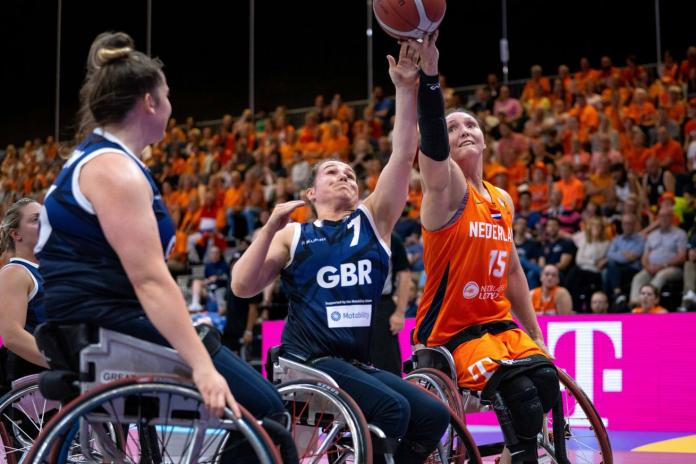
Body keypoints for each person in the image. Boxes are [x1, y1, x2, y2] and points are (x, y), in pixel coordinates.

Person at [34, 32, 289, 462]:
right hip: (106, 324)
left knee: (212, 345)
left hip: (96, 318)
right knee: (268, 415)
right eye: (167, 95)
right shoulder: (114, 170)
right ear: (150, 102)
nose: (171, 105)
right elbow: (151, 280)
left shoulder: (104, 161)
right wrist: (202, 366)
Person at [232, 39, 450, 463]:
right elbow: (242, 288)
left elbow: (404, 155)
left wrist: (406, 88)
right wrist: (269, 228)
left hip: (353, 362)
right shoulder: (294, 235)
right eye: (332, 172)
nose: (345, 175)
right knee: (394, 408)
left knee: (432, 416)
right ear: (312, 192)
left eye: (349, 173)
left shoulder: (374, 219)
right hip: (306, 362)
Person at [412, 36, 559, 464]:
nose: (463, 131)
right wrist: (430, 79)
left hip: (497, 328)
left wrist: (534, 333)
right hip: (449, 334)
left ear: (484, 138)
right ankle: (522, 456)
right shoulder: (446, 191)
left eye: (471, 125)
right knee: (521, 394)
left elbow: (513, 273)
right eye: (454, 127)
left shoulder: (501, 199)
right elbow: (434, 147)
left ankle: (516, 457)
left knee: (546, 382)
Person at [0, 198, 49, 386]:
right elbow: (12, 335)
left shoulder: (47, 270)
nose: (44, 223)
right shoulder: (15, 273)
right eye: (36, 219)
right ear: (16, 234)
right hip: (34, 379)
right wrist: (61, 362)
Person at [369, 232, 411, 376]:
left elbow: (404, 276)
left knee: (388, 365)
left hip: (382, 305)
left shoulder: (391, 238)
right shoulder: (345, 235)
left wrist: (400, 312)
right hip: (351, 305)